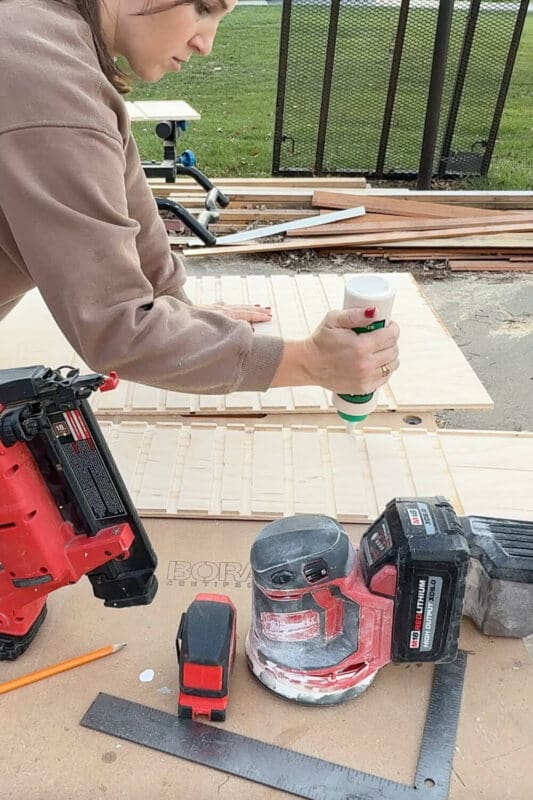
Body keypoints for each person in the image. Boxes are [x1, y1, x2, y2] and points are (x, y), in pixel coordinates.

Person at [0, 0, 399, 398]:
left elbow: (128, 204)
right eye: (203, 8)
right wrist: (312, 362)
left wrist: (179, 310)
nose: (205, 43)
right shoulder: (48, 84)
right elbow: (117, 330)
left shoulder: (46, 42)